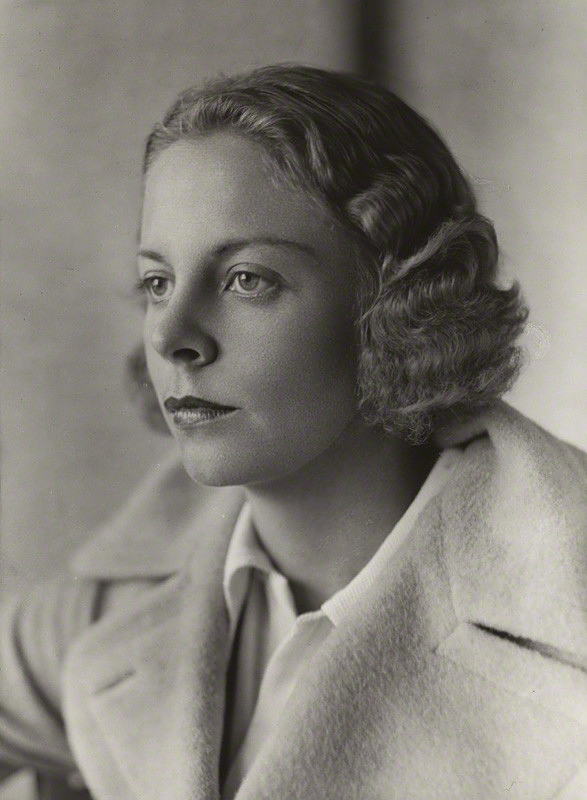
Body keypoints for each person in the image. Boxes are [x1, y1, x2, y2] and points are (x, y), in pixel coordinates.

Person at [1, 65, 586, 800]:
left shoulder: (562, 623)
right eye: (157, 283)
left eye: (247, 279)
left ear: (399, 302)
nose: (172, 336)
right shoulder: (116, 607)